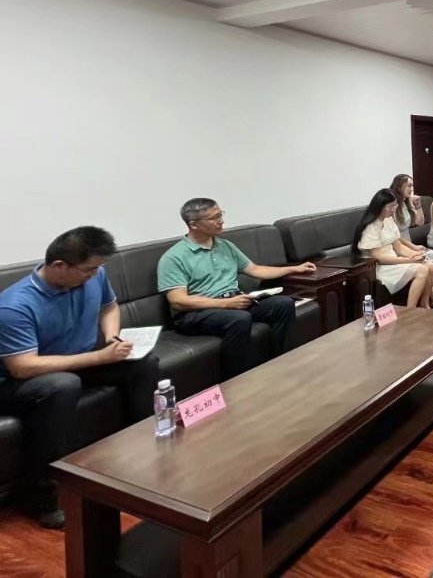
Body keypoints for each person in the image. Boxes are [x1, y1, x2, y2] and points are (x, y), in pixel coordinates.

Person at [0, 227, 159, 529]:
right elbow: (22, 367)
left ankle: (142, 452)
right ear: (60, 265)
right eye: (89, 269)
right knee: (62, 385)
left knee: (143, 362)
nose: (95, 274)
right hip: (18, 382)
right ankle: (41, 495)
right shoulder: (14, 305)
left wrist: (111, 338)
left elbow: (109, 306)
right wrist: (99, 358)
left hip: (75, 361)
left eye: (98, 267)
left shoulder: (93, 275)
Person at [158, 199, 315, 380]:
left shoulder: (225, 246)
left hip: (233, 302)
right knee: (239, 318)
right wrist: (225, 304)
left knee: (283, 304)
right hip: (195, 313)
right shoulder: (174, 257)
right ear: (194, 224)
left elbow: (255, 270)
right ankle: (237, 380)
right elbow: (178, 300)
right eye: (214, 218)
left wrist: (294, 268)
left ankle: (283, 365)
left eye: (221, 215)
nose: (221, 221)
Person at [355, 188, 433, 309]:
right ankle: (410, 311)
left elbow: (399, 247)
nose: (393, 210)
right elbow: (378, 257)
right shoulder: (370, 226)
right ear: (380, 206)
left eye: (395, 206)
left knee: (430, 265)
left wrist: (415, 255)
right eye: (390, 206)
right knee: (422, 270)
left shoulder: (388, 220)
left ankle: (425, 305)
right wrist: (408, 260)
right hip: (380, 267)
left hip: (394, 261)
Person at [390, 174, 433, 306]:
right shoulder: (393, 206)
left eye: (412, 186)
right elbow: (395, 237)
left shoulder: (407, 202)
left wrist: (418, 205)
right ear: (399, 186)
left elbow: (420, 222)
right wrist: (413, 247)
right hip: (399, 246)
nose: (411, 189)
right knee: (427, 260)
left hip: (409, 244)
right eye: (408, 185)